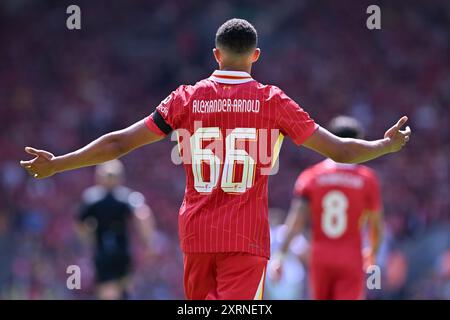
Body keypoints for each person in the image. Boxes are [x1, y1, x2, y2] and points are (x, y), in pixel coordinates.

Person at [20, 19, 411, 300]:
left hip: (197, 234)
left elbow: (119, 144)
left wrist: (58, 163)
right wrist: (384, 145)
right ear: (255, 56)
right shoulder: (273, 101)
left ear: (216, 54)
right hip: (245, 237)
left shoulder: (184, 99)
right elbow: (341, 151)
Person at [269, 116, 384, 300]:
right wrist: (373, 253)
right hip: (351, 255)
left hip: (320, 255)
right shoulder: (367, 179)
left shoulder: (311, 176)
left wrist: (281, 255)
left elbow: (296, 221)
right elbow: (376, 225)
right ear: (359, 143)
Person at [77, 160, 155, 300]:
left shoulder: (92, 198)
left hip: (103, 251)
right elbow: (143, 216)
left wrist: (88, 239)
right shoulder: (127, 197)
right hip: (122, 251)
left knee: (107, 291)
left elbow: (80, 223)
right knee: (124, 288)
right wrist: (148, 242)